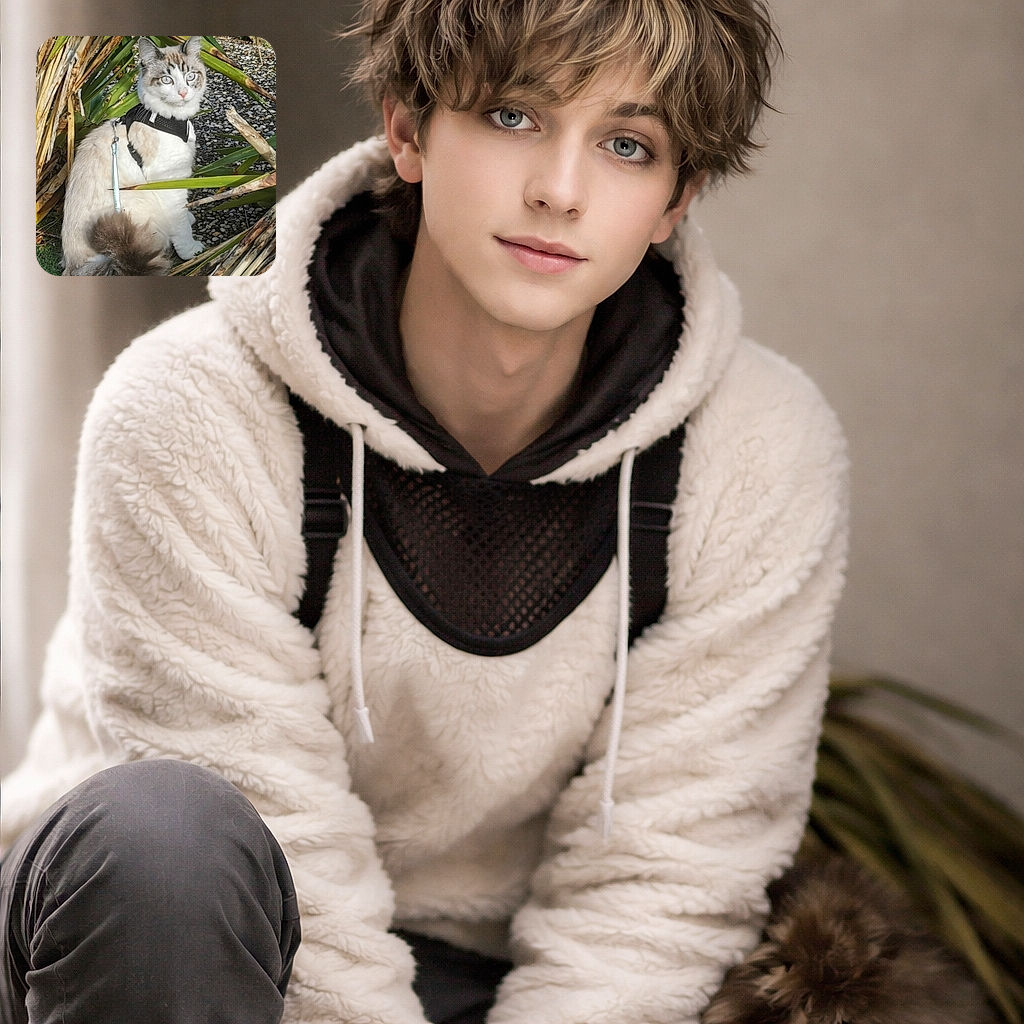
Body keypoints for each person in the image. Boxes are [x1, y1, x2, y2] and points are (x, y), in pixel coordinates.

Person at [0, 2, 849, 1023]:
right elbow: (254, 806)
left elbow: (665, 881)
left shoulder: (759, 445)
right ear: (406, 129)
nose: (560, 191)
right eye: (513, 117)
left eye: (627, 145)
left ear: (677, 199)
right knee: (168, 839)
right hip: (142, 941)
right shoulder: (190, 402)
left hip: (484, 978)